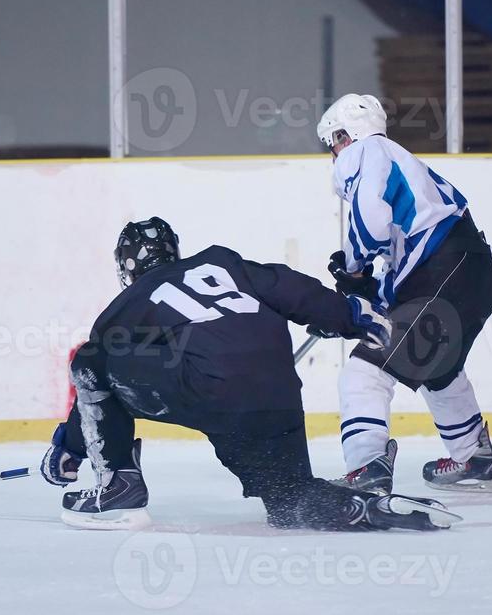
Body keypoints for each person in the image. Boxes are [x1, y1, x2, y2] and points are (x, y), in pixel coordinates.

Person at [38, 217, 460, 532]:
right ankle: (366, 507)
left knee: (91, 357)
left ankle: (117, 489)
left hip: (213, 390)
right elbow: (293, 290)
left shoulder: (126, 306)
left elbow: (99, 383)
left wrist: (69, 447)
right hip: (278, 395)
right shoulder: (222, 263)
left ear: (126, 266)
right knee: (290, 503)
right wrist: (350, 315)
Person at [315, 93, 492, 494]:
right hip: (470, 274)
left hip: (445, 274)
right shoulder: (404, 161)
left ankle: (366, 470)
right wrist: (369, 293)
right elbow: (406, 260)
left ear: (344, 135)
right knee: (438, 369)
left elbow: (371, 225)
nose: (333, 155)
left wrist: (353, 269)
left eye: (332, 143)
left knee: (364, 372)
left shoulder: (363, 152)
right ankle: (474, 457)